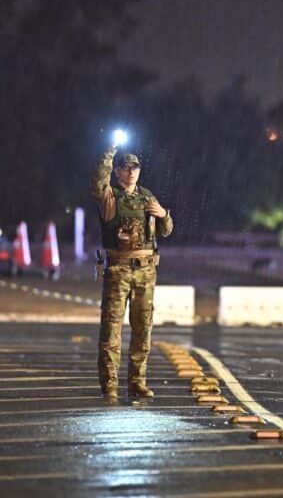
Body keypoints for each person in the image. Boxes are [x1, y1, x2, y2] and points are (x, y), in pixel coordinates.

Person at [91, 146, 173, 403]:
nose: (131, 172)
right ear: (117, 172)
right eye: (126, 168)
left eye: (135, 167)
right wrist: (107, 155)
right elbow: (98, 183)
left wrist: (164, 215)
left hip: (146, 271)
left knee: (143, 329)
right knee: (112, 331)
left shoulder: (147, 196)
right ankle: (110, 385)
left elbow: (165, 231)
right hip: (118, 270)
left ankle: (138, 383)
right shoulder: (111, 198)